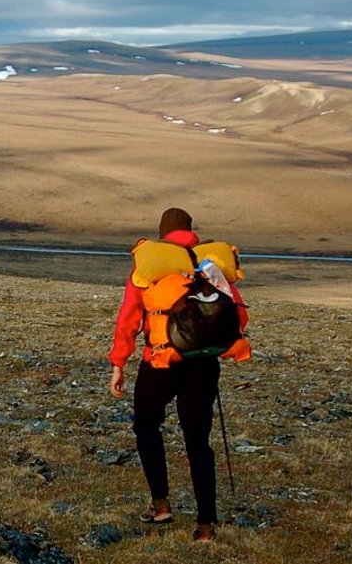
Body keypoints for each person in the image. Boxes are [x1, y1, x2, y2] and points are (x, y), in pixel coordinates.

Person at [108, 208, 249, 543]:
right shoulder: (212, 265)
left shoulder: (149, 266)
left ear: (162, 233)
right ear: (191, 232)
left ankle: (160, 505)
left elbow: (129, 317)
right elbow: (238, 316)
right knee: (198, 442)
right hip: (203, 363)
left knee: (146, 424)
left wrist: (118, 363)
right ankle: (205, 526)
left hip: (158, 361)